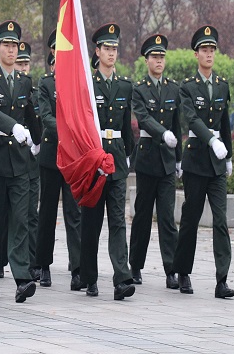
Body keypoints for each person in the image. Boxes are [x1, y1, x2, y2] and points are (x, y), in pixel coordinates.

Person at [0, 20, 41, 303]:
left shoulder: (25, 81)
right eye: (6, 44)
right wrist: (12, 126)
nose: (12, 49)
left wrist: (37, 140)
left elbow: (30, 114)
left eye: (15, 44)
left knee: (20, 220)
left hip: (19, 162)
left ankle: (22, 279)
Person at [173, 25, 234, 299]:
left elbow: (224, 123)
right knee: (191, 219)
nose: (209, 54)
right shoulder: (187, 87)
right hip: (197, 160)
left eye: (212, 50)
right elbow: (192, 119)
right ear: (196, 54)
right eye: (204, 50)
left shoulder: (222, 85)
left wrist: (228, 155)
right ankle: (183, 271)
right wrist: (212, 141)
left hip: (217, 164)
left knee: (220, 220)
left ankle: (222, 280)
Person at [80, 23, 135, 300]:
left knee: (117, 220)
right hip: (95, 158)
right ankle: (89, 277)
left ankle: (121, 278)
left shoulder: (125, 85)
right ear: (97, 51)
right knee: (92, 223)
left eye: (115, 48)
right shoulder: (88, 85)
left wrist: (128, 155)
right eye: (107, 48)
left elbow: (126, 126)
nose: (112, 53)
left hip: (117, 160)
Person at [129, 34, 182, 289]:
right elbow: (144, 119)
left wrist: (179, 158)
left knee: (167, 218)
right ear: (146, 60)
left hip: (167, 162)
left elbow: (177, 125)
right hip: (148, 159)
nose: (159, 61)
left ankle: (171, 269)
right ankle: (135, 265)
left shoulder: (173, 89)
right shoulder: (139, 89)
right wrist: (163, 134)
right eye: (154, 57)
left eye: (162, 56)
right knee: (142, 216)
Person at [36, 30, 83, 290]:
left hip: (73, 157)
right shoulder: (46, 84)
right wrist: (68, 131)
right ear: (53, 52)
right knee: (47, 212)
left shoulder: (77, 82)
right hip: (52, 155)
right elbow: (46, 117)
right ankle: (43, 264)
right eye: (57, 48)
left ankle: (77, 267)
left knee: (74, 213)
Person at [14, 41, 42, 281]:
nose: (23, 68)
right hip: (12, 159)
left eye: (25, 63)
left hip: (32, 161)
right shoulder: (8, 90)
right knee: (14, 215)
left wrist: (37, 140)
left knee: (32, 214)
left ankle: (32, 262)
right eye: (19, 63)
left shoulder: (35, 93)